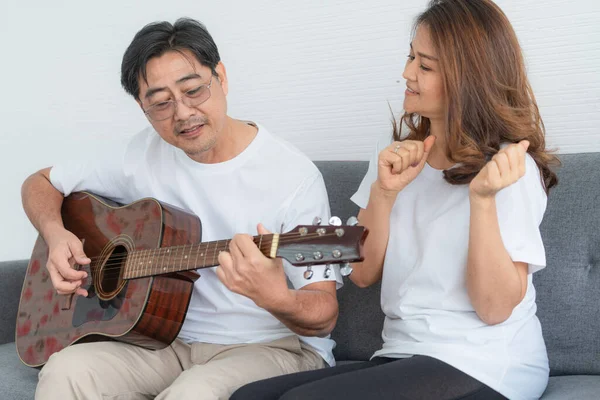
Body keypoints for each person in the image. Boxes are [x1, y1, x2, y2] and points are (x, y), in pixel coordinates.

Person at [231, 0, 559, 399]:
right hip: (404, 354)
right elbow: (364, 275)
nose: (407, 73)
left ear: (467, 78)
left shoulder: (509, 168)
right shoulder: (397, 156)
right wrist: (384, 193)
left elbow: (493, 309)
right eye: (410, 57)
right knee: (247, 396)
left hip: (486, 362)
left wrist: (483, 199)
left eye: (425, 66)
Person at [21, 17, 343, 400]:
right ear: (142, 108)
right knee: (65, 372)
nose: (183, 113)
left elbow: (324, 315)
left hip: (271, 347)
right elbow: (39, 183)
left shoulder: (292, 175)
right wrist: (56, 236)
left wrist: (276, 297)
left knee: (192, 394)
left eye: (193, 91)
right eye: (160, 103)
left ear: (220, 77)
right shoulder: (139, 155)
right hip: (166, 343)